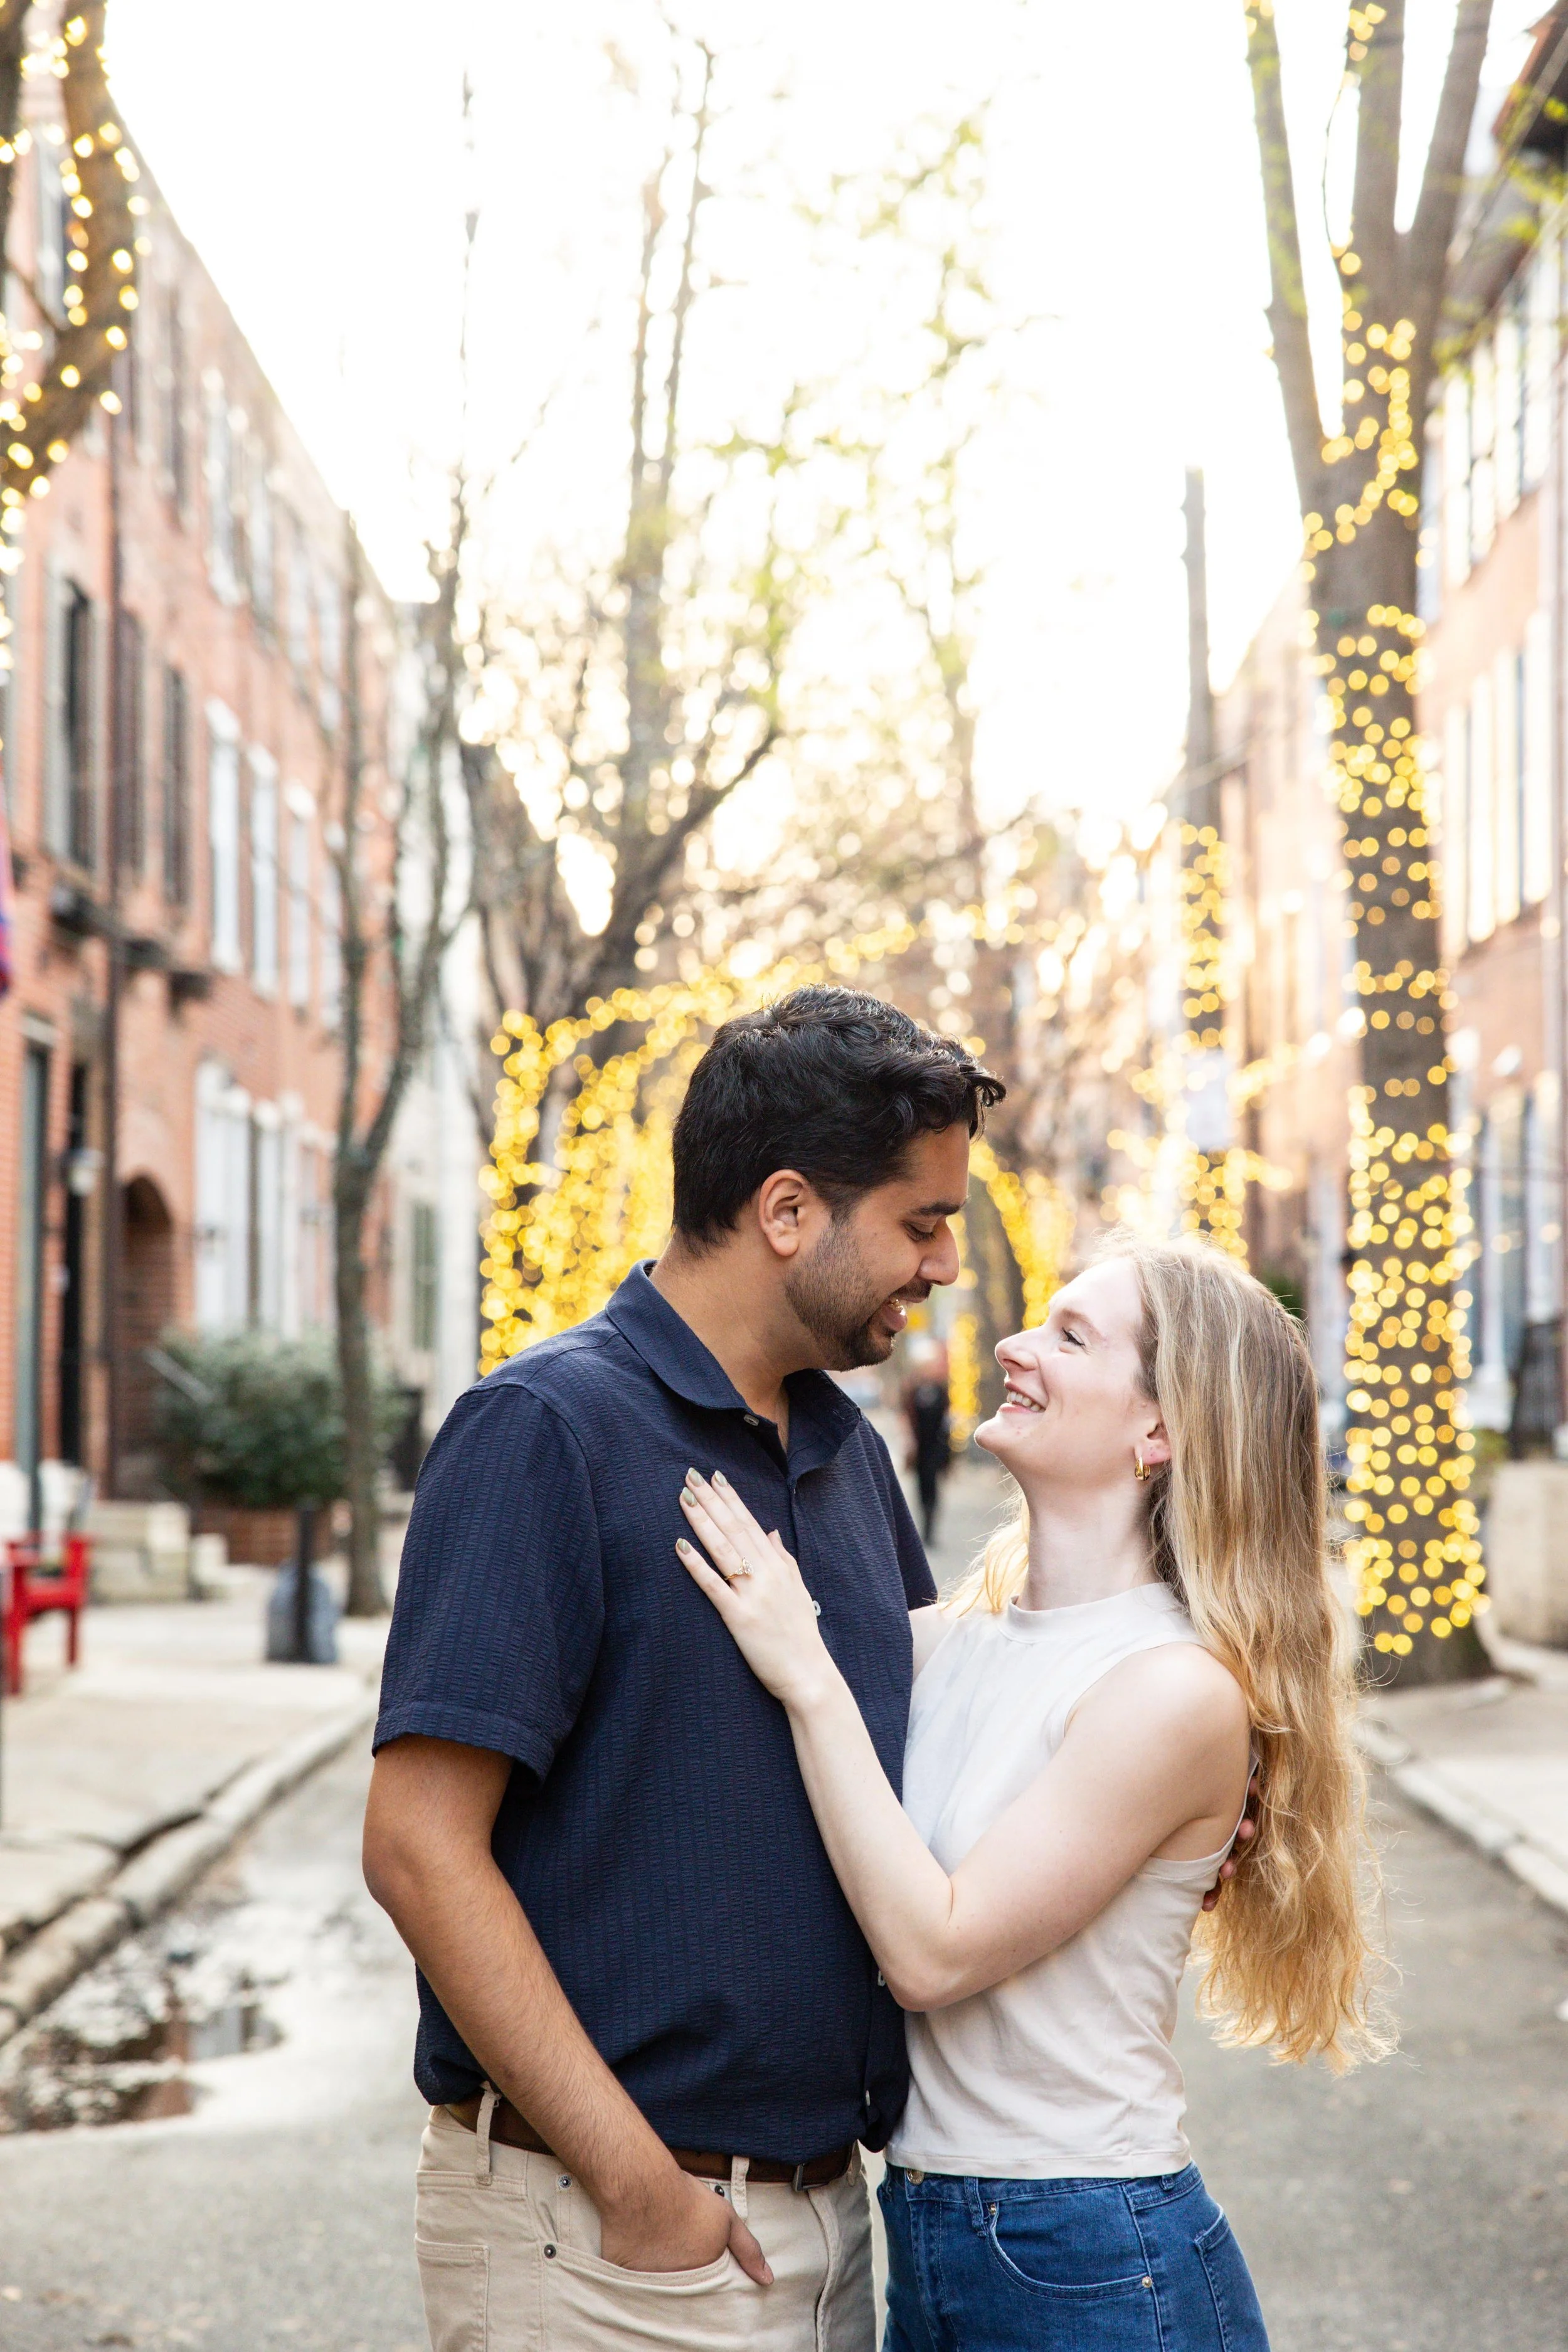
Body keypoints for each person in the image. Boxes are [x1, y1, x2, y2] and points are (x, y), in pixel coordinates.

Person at [362, 987, 1005, 2352]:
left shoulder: (845, 1454)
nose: (941, 1264)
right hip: (604, 2247)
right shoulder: (543, 1429)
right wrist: (637, 2186)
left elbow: (917, 1775)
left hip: (831, 2226)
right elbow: (420, 1847)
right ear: (786, 1212)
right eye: (919, 1220)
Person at [677, 1232, 1387, 2352]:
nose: (1011, 1344)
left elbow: (932, 1952)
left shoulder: (1174, 1691)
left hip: (1093, 2255)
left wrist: (808, 1670)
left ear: (1161, 1429)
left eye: (1070, 1335)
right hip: (934, 2228)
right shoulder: (948, 1646)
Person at [901, 1342, 951, 1545]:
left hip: (937, 1446)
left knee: (934, 1486)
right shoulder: (912, 1390)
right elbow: (905, 1416)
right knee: (921, 1486)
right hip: (920, 1447)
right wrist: (908, 1441)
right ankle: (924, 1525)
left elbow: (948, 1418)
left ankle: (931, 1527)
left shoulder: (941, 1390)